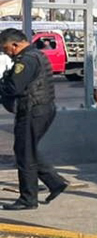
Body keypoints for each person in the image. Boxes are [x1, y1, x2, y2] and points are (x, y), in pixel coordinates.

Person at [0, 28, 67, 210]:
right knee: (26, 149)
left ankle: (28, 199)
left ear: (15, 45)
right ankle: (54, 182)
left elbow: (14, 87)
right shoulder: (36, 55)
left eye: (6, 49)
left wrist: (3, 84)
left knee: (25, 154)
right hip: (41, 108)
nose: (6, 53)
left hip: (33, 110)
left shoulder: (27, 60)